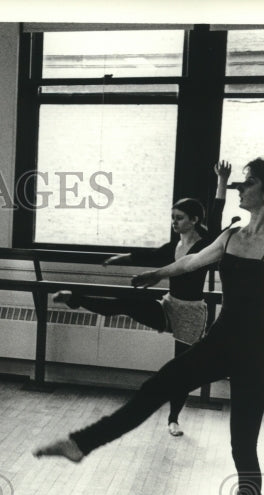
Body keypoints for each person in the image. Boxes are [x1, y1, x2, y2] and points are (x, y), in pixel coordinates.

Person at [34, 158, 264, 495]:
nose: (241, 188)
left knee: (243, 445)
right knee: (155, 387)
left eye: (249, 183)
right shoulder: (229, 236)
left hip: (256, 348)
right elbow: (191, 262)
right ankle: (80, 443)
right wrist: (157, 274)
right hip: (221, 338)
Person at [52, 162, 232, 437]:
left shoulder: (206, 242)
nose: (174, 222)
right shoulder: (174, 246)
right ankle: (73, 297)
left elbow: (218, 215)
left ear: (195, 220)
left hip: (192, 313)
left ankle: (173, 419)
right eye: (172, 217)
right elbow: (146, 256)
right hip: (168, 305)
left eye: (180, 218)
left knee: (181, 369)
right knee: (126, 303)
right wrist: (119, 258)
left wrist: (222, 180)